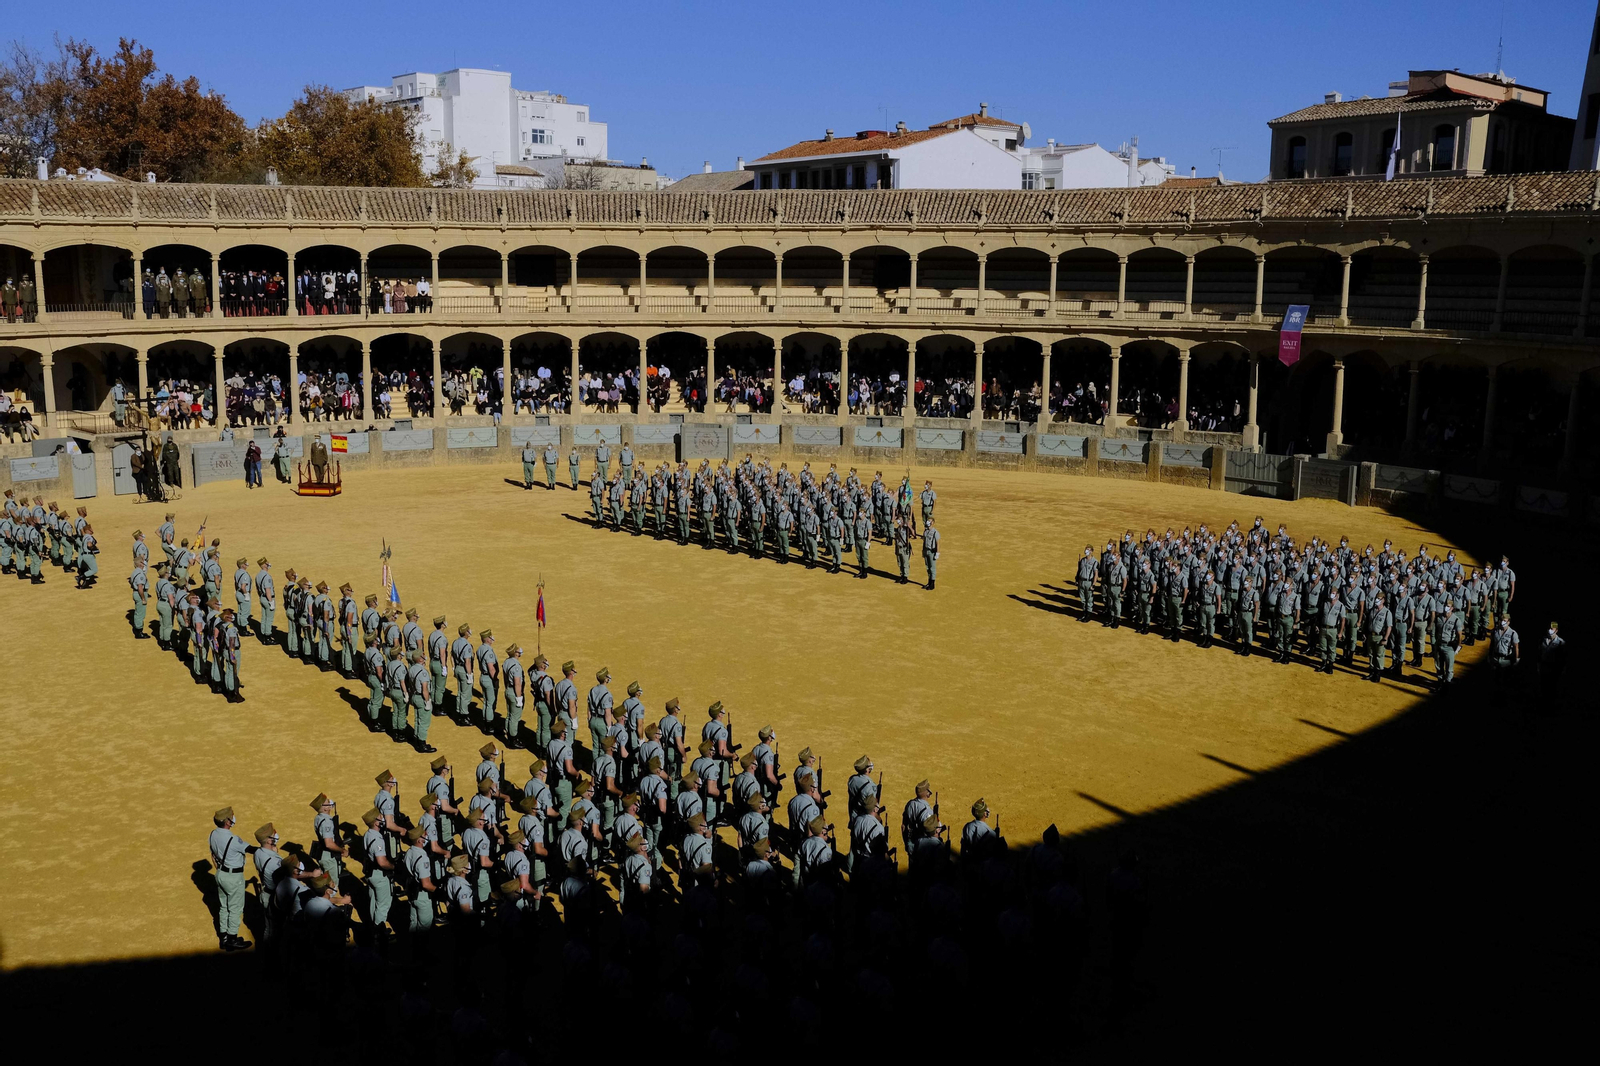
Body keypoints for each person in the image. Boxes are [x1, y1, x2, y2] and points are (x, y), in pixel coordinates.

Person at [208, 806, 252, 952]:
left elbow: (213, 854)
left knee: (223, 906)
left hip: (220, 874)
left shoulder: (213, 834)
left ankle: (224, 938)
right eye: (232, 816)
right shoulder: (233, 839)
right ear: (227, 821)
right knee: (235, 908)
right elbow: (250, 849)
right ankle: (232, 939)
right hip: (234, 877)